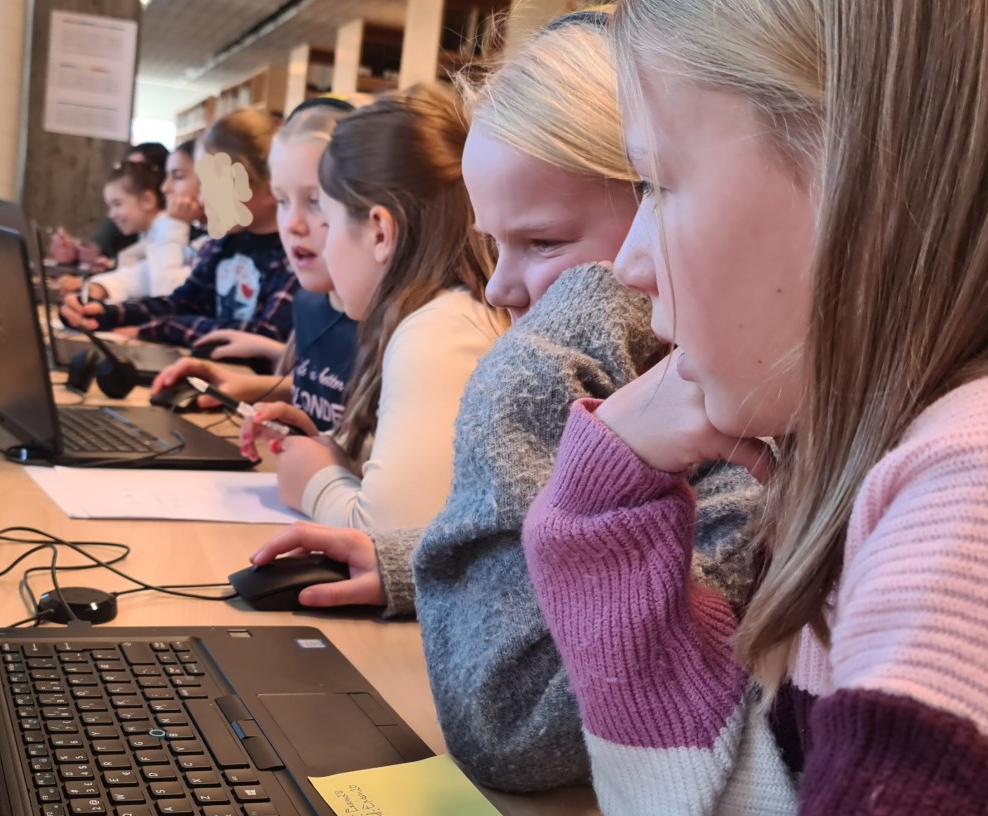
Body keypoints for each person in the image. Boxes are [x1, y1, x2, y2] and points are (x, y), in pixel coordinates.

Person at [523, 0, 988, 812]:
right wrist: (599, 520)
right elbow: (738, 799)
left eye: (656, 182)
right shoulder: (889, 458)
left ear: (874, 178)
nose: (630, 264)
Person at [247, 11, 760, 792]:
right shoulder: (666, 408)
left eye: (544, 243)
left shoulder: (750, 447)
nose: (496, 289)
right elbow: (592, 568)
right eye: (494, 244)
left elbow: (511, 721)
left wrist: (532, 364)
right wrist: (421, 562)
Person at [244, 84, 503, 531]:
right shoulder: (435, 315)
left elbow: (389, 539)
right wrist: (332, 450)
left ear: (380, 233)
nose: (324, 245)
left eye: (327, 218)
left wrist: (315, 483)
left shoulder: (440, 331)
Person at [149, 98, 360, 435]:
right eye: (283, 201)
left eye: (316, 201)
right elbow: (322, 393)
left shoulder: (394, 327)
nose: (292, 224)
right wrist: (248, 386)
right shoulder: (311, 303)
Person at [61, 110, 297, 348]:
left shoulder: (292, 255)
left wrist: (161, 329)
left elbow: (264, 335)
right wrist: (105, 314)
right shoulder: (224, 243)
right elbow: (180, 303)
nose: (202, 199)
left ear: (271, 187)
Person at [50, 141, 170, 266]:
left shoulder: (166, 230)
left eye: (138, 169)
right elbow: (97, 248)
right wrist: (75, 251)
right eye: (125, 167)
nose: (111, 215)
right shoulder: (140, 227)